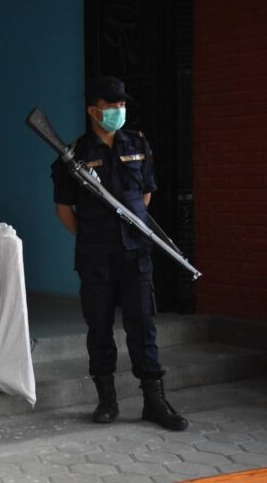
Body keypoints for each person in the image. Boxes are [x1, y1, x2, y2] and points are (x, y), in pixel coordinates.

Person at [51, 76, 188, 431]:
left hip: (135, 253)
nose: (119, 111)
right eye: (111, 106)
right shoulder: (74, 155)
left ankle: (154, 401)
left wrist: (127, 229)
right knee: (99, 327)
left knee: (142, 326)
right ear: (93, 111)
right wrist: (94, 234)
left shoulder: (138, 144)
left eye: (122, 105)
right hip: (96, 256)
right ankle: (107, 400)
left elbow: (145, 195)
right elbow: (64, 208)